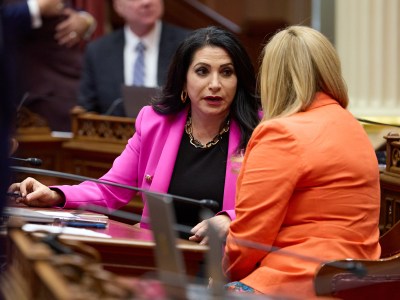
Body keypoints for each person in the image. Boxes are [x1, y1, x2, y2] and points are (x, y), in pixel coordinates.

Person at [8, 26, 261, 243]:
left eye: (226, 72)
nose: (215, 84)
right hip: (160, 261)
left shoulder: (261, 130)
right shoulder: (155, 123)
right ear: (184, 80)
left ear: (238, 80)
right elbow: (110, 191)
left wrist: (231, 219)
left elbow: (274, 205)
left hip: (227, 265)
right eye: (202, 71)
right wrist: (55, 194)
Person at [222, 25, 381, 298]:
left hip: (296, 282)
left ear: (273, 76)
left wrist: (217, 277)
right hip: (356, 283)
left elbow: (249, 241)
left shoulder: (281, 133)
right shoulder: (350, 124)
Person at [77, 0, 191, 117]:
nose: (146, 2)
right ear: (118, 6)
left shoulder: (187, 45)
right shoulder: (98, 51)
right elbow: (87, 108)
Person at [3, 0, 97, 131]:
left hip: (69, 88)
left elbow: (64, 7)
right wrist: (36, 7)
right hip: (35, 94)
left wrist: (84, 19)